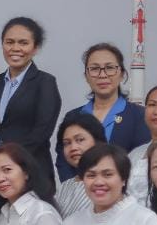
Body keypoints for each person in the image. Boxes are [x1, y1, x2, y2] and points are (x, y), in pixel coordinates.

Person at [0, 18, 62, 184]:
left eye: (23, 43)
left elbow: (41, 132)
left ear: (35, 48)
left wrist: (7, 161)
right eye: (9, 42)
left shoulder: (45, 83)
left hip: (31, 173)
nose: (15, 48)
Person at [55, 43, 150, 181]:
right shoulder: (74, 116)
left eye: (109, 68)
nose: (102, 75)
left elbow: (141, 163)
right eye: (94, 69)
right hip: (78, 191)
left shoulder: (139, 116)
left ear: (122, 74)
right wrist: (79, 187)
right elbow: (63, 162)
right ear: (86, 76)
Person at [55, 112, 107, 218]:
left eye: (80, 140)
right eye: (67, 143)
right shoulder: (65, 186)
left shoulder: (110, 182)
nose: (73, 147)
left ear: (97, 141)